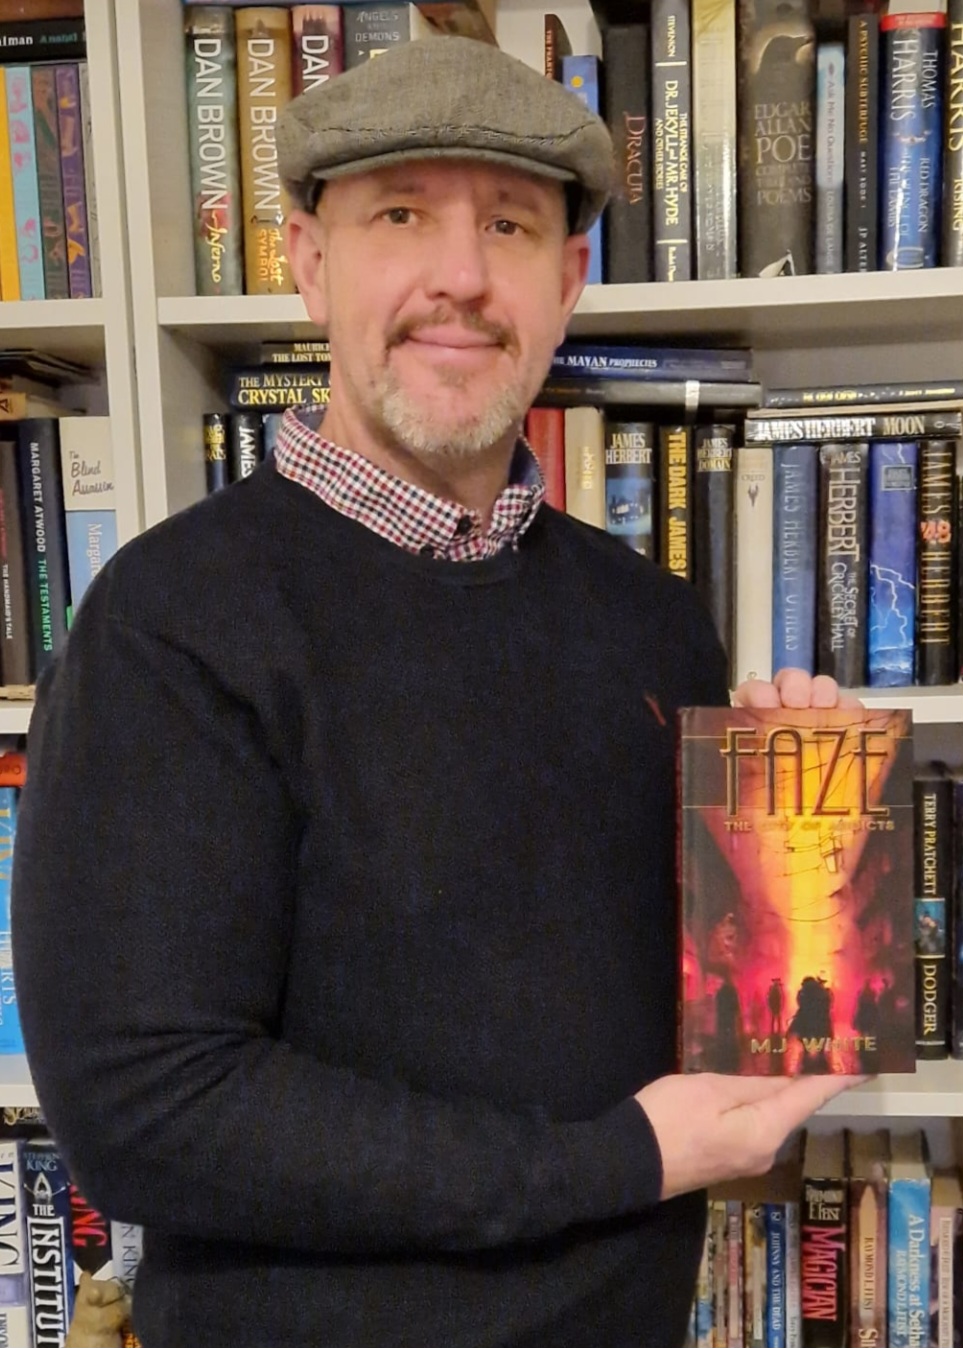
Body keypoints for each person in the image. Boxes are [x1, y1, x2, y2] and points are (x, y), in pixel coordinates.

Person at [11, 37, 863, 1348]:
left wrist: (805, 858)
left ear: (567, 281)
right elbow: (148, 1115)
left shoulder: (650, 620)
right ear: (307, 259)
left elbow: (728, 1058)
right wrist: (617, 1163)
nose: (460, 278)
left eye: (511, 226)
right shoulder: (168, 626)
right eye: (400, 215)